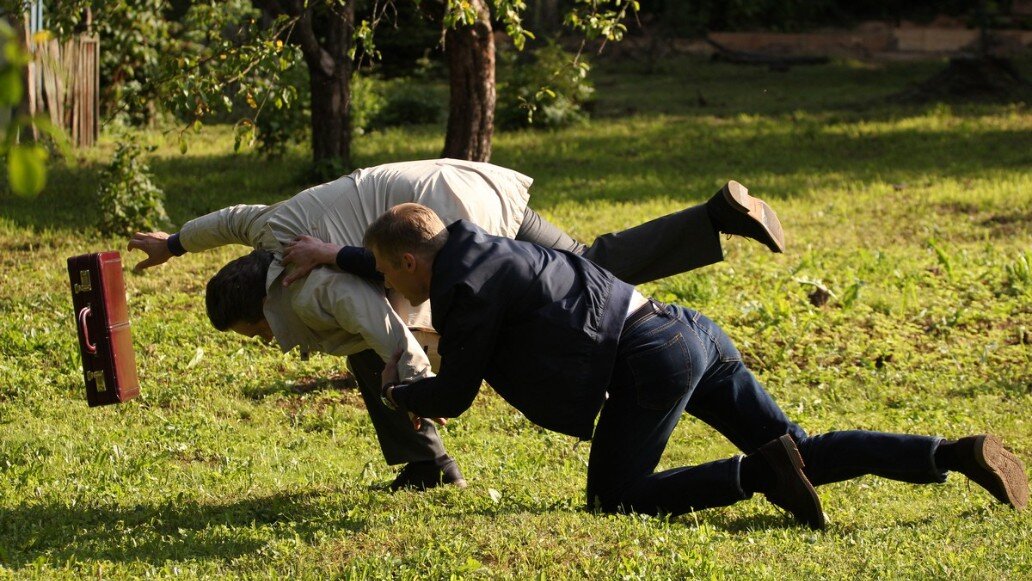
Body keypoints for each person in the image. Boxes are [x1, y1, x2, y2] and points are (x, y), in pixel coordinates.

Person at [128, 158, 784, 492]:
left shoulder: (306, 284)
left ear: (260, 304)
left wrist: (410, 377)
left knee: (581, 278)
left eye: (257, 331)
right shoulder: (270, 232)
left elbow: (378, 312)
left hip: (447, 214)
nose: (270, 340)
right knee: (586, 262)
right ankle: (711, 219)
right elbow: (232, 215)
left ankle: (430, 462)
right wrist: (173, 243)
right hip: (462, 184)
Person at [369, 203, 1028, 528]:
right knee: (800, 450)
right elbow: (396, 261)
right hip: (688, 330)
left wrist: (402, 391)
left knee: (615, 497)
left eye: (383, 270)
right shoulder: (484, 246)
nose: (387, 281)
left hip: (648, 360)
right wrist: (335, 258)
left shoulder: (463, 289)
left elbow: (454, 393)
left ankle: (752, 473)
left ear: (405, 261)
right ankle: (953, 453)